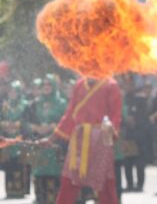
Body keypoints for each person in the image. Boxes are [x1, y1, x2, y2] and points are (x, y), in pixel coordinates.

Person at [41, 75, 122, 204]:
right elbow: (69, 115)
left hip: (100, 139)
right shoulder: (79, 85)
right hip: (79, 139)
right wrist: (52, 138)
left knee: (105, 184)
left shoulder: (111, 85)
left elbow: (116, 115)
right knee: (68, 181)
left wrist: (110, 134)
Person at [28, 75, 66, 204]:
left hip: (55, 144)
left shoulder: (61, 103)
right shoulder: (35, 103)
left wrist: (52, 127)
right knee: (39, 175)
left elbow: (66, 121)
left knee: (54, 176)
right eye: (44, 85)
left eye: (49, 84)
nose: (46, 87)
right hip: (40, 144)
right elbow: (27, 121)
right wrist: (36, 128)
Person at [119, 74, 149, 192]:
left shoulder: (140, 99)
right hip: (127, 135)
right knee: (127, 162)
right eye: (126, 84)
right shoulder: (122, 99)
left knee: (139, 162)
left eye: (130, 83)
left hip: (139, 135)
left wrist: (135, 119)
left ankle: (140, 184)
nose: (128, 86)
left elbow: (145, 116)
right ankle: (129, 184)